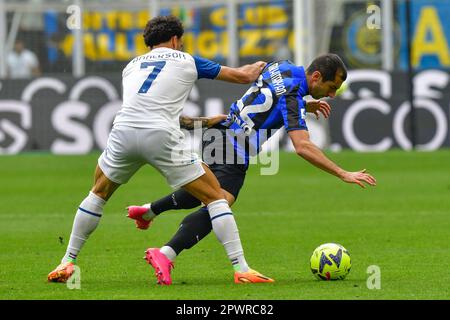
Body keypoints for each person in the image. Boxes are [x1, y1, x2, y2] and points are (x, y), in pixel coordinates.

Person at [47, 15, 273, 285]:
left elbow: (152, 112)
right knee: (216, 198)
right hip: (162, 136)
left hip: (123, 133)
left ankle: (67, 262)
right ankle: (242, 269)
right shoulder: (187, 60)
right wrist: (266, 68)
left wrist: (206, 121)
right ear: (176, 40)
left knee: (97, 194)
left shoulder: (131, 67)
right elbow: (242, 76)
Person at [127, 54, 377, 284]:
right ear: (316, 77)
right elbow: (303, 146)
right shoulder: (293, 97)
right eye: (331, 88)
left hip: (219, 131)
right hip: (233, 146)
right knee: (219, 201)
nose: (332, 95)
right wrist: (343, 173)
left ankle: (148, 211)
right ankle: (167, 254)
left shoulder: (282, 65)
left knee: (207, 191)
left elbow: (269, 89)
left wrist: (304, 104)